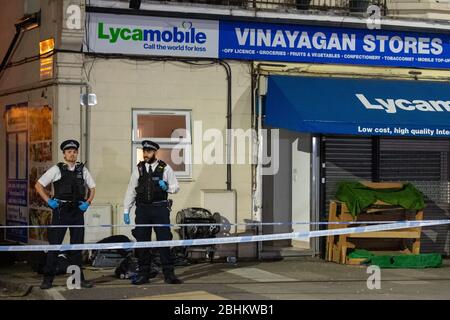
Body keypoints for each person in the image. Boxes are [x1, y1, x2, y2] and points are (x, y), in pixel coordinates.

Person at [35, 139, 96, 289]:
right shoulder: (57, 169)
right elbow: (38, 185)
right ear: (64, 154)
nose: (72, 154)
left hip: (77, 210)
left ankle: (78, 279)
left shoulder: (82, 170)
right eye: (69, 152)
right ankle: (47, 280)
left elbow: (93, 187)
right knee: (55, 245)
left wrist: (88, 202)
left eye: (74, 152)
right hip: (61, 210)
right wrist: (49, 201)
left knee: (77, 247)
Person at [123, 140, 182, 285]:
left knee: (164, 241)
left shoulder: (165, 168)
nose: (145, 154)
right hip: (143, 210)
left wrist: (167, 187)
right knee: (143, 242)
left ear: (155, 152)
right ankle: (144, 274)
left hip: (160, 209)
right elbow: (131, 190)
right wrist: (126, 210)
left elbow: (176, 187)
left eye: (148, 152)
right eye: (144, 151)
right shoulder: (139, 169)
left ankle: (169, 274)